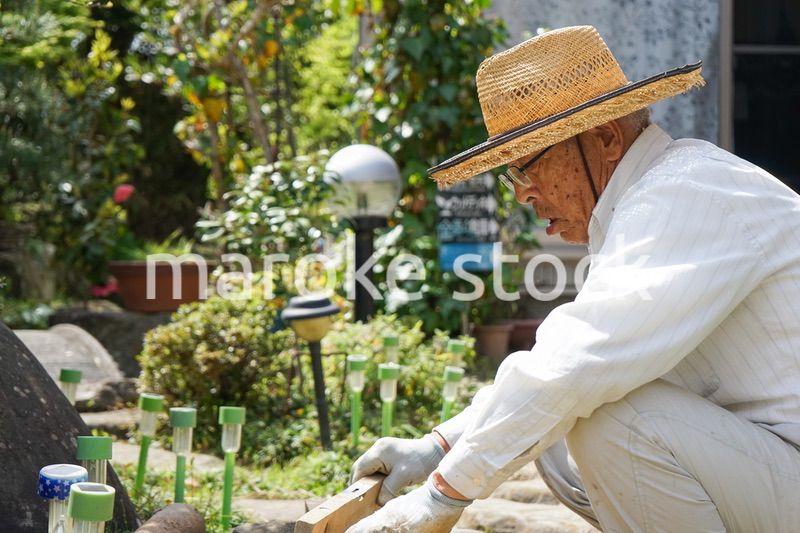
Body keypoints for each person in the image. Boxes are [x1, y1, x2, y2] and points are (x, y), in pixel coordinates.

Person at [346, 25, 800, 532]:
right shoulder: (653, 195)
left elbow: (578, 362)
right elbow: (564, 367)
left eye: (528, 167)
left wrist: (438, 499)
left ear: (604, 140)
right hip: (775, 468)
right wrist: (438, 447)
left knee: (610, 418)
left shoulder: (682, 192)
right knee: (556, 433)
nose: (522, 193)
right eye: (512, 174)